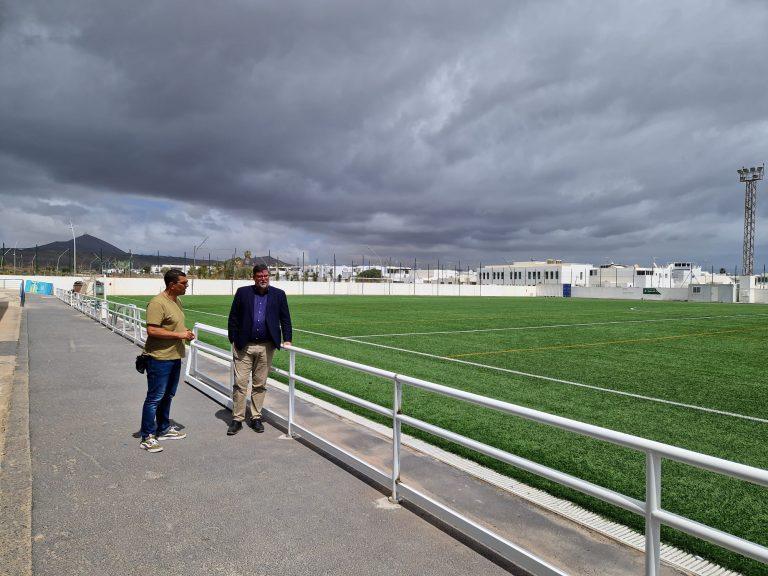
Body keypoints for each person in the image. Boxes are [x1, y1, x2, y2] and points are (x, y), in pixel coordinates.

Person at [227, 264, 292, 435]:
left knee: (260, 384)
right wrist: (233, 338)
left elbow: (285, 319)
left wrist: (288, 339)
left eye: (266, 276)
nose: (263, 279)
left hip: (266, 347)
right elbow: (233, 316)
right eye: (259, 276)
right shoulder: (243, 292)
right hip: (244, 346)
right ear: (254, 277)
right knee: (240, 383)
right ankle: (237, 419)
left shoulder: (279, 295)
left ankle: (256, 417)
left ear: (268, 276)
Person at [139, 268, 194, 452]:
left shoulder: (177, 301)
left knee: (168, 395)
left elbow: (174, 325)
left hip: (174, 356)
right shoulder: (157, 303)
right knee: (154, 397)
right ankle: (147, 436)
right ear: (172, 285)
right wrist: (180, 334)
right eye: (184, 283)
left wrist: (185, 332)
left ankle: (163, 428)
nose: (187, 285)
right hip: (159, 359)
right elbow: (152, 330)